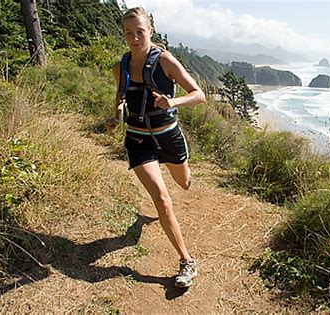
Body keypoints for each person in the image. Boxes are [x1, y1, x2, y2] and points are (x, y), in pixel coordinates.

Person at [106, 7, 205, 288]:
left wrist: (172, 102)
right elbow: (120, 96)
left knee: (183, 183)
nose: (134, 38)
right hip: (138, 140)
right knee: (162, 199)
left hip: (168, 137)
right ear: (123, 34)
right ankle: (187, 262)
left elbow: (199, 95)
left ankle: (181, 173)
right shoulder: (120, 66)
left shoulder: (165, 61)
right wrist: (116, 114)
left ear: (150, 31)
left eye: (140, 31)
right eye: (128, 33)